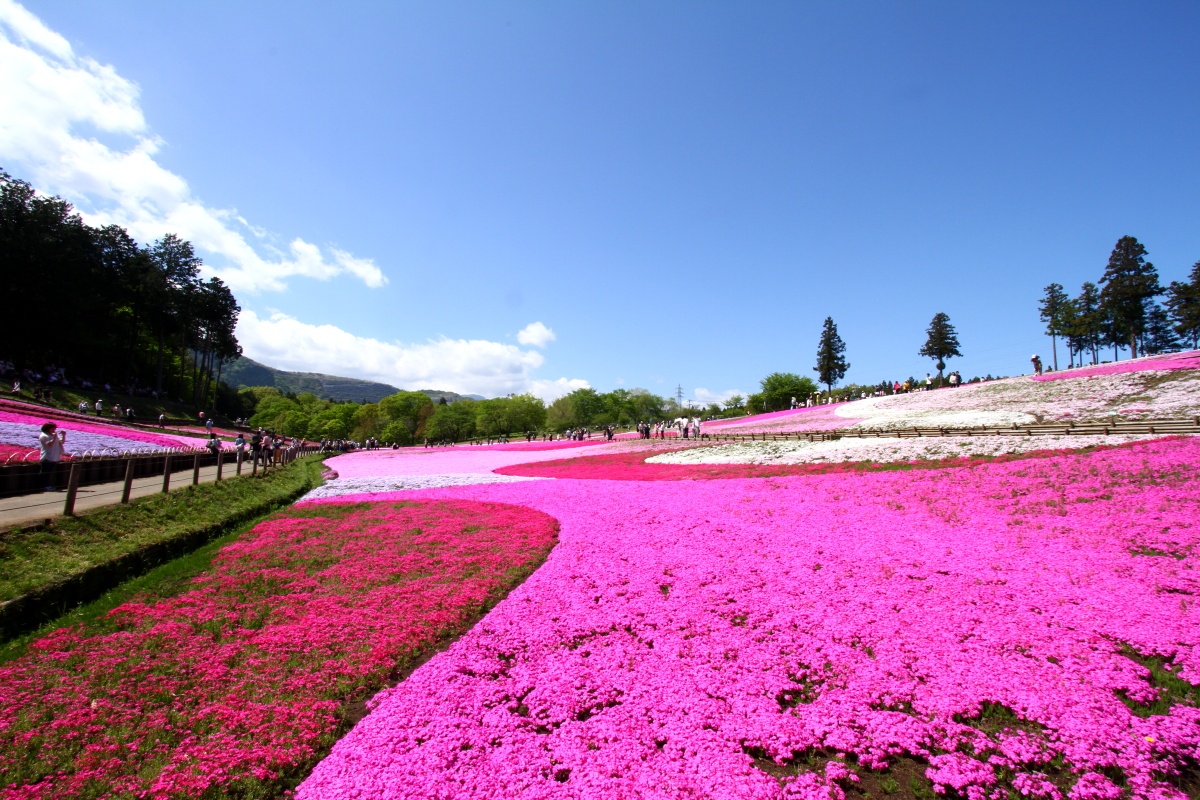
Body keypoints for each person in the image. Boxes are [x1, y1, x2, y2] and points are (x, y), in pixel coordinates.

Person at [38, 421, 66, 491]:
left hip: (54, 456)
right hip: (47, 456)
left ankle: (47, 485)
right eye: (53, 428)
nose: (54, 430)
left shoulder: (52, 435)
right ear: (47, 428)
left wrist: (63, 435)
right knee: (45, 472)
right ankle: (43, 486)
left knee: (49, 472)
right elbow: (49, 444)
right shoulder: (44, 435)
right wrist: (55, 437)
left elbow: (61, 442)